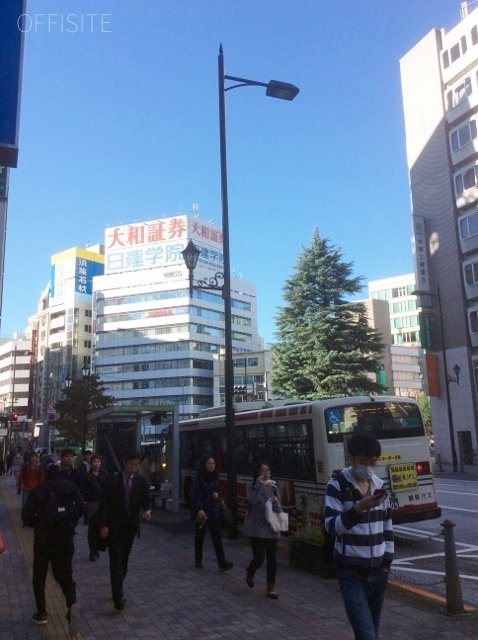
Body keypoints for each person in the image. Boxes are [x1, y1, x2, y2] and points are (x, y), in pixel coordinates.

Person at [324, 433, 394, 640]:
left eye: (373, 461)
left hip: (378, 572)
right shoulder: (337, 486)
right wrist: (358, 508)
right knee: (366, 634)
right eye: (363, 461)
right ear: (352, 458)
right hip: (351, 573)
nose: (368, 466)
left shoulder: (379, 486)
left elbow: (387, 526)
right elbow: (331, 527)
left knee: (372, 630)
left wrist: (386, 563)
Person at [22, 461, 84, 635]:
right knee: (65, 573)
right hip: (65, 537)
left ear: (45, 473)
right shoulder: (70, 487)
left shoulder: (39, 490)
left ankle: (41, 612)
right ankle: (72, 603)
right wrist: (69, 521)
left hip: (43, 539)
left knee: (39, 575)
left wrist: (38, 523)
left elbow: (25, 516)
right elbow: (81, 507)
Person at [97, 451, 152, 610]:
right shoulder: (113, 480)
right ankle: (118, 596)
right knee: (116, 560)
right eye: (132, 463)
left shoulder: (140, 481)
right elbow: (104, 504)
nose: (135, 466)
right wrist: (104, 525)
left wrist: (147, 510)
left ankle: (118, 585)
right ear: (125, 463)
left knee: (124, 561)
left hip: (130, 528)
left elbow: (145, 499)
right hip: (114, 527)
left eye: (137, 464)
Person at [243, 461, 282, 599]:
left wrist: (276, 502)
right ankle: (250, 571)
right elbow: (252, 500)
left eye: (268, 471)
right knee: (259, 558)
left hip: (271, 527)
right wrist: (260, 485)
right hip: (256, 528)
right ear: (257, 474)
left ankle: (270, 587)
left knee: (272, 559)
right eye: (263, 471)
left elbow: (279, 510)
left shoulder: (274, 488)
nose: (266, 473)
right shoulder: (251, 486)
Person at [191, 456, 233, 572]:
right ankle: (198, 559)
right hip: (203, 512)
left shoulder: (215, 477)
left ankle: (222, 563)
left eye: (213, 463)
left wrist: (217, 496)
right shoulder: (200, 478)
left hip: (213, 511)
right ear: (204, 464)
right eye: (209, 463)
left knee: (217, 538)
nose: (211, 466)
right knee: (200, 537)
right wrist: (199, 509)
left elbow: (218, 491)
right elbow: (197, 494)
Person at [81, 454, 108, 560]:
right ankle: (92, 550)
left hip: (103, 504)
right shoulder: (87, 476)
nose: (96, 464)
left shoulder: (105, 474)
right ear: (90, 463)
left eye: (98, 461)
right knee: (91, 529)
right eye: (94, 462)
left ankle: (97, 548)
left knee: (100, 527)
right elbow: (83, 490)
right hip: (91, 503)